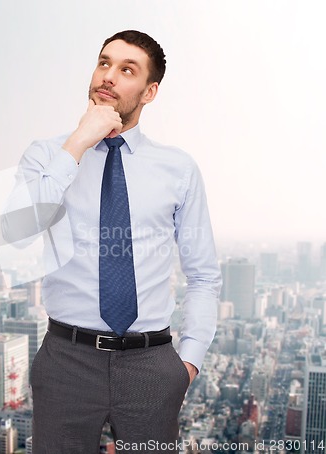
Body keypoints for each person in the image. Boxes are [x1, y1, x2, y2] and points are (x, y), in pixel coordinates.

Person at [14, 30, 222, 453]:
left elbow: (203, 275)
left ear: (150, 92)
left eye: (127, 69)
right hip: (65, 359)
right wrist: (77, 143)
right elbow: (19, 229)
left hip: (151, 362)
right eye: (104, 62)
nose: (107, 76)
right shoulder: (47, 156)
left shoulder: (178, 169)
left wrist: (188, 364)